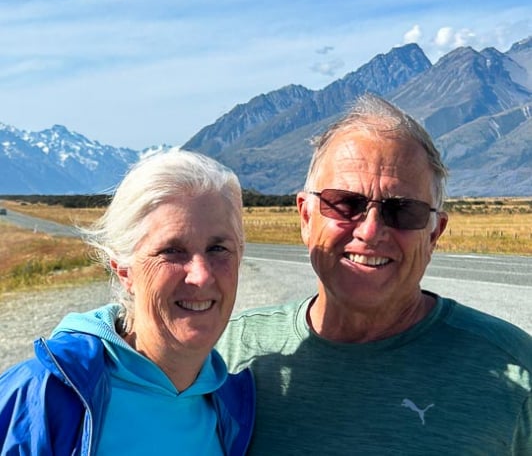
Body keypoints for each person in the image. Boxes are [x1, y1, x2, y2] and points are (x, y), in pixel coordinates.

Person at [217, 93, 532, 455]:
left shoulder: (516, 371)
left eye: (402, 211)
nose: (370, 231)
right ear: (305, 216)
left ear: (434, 233)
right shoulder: (229, 357)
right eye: (346, 203)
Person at [0, 148, 255, 455]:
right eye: (172, 251)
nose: (201, 276)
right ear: (124, 270)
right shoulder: (38, 395)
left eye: (218, 248)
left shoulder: (236, 408)